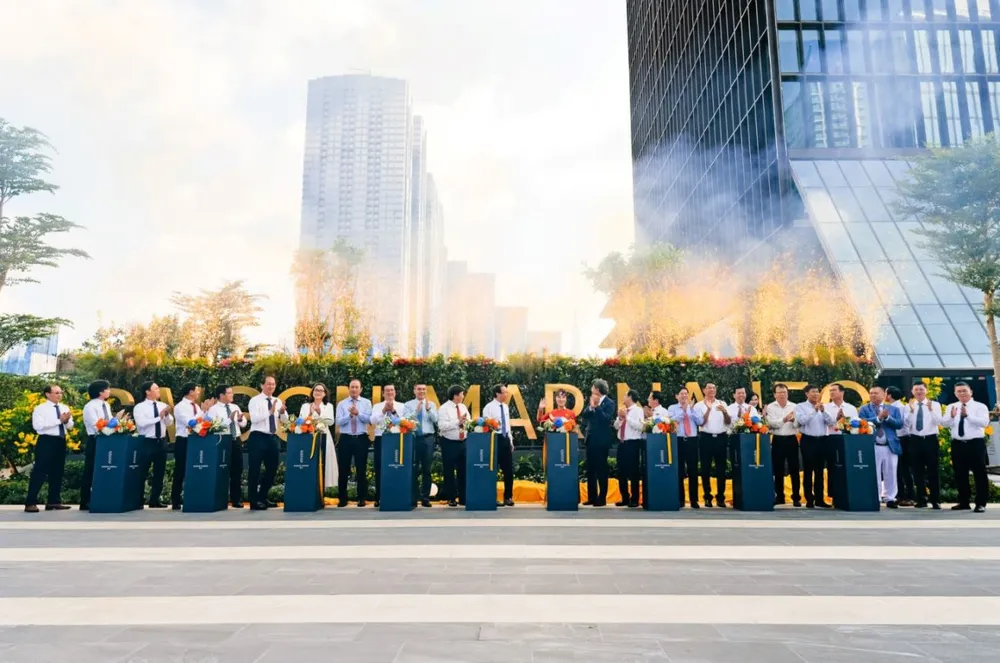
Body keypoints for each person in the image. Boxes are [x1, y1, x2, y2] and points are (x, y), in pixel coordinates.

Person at [941, 381, 990, 512]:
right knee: (960, 474)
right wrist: (951, 417)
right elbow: (944, 424)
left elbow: (985, 423)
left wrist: (968, 416)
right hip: (958, 444)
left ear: (970, 392)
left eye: (964, 390)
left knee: (979, 474)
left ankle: (980, 503)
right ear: (955, 393)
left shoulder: (980, 406)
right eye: (959, 391)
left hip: (975, 443)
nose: (962, 393)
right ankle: (964, 502)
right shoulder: (952, 406)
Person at [24, 384, 74, 513]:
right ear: (47, 394)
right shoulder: (40, 409)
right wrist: (59, 420)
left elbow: (70, 426)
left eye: (61, 393)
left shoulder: (64, 407)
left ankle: (53, 501)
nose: (59, 395)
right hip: (46, 441)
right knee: (40, 471)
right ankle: (30, 502)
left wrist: (67, 421)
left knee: (58, 471)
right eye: (56, 393)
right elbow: (38, 426)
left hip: (60, 440)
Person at [247, 376, 288, 510]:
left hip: (272, 437)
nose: (271, 386)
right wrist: (269, 412)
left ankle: (262, 497)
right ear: (262, 385)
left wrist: (282, 412)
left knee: (272, 468)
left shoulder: (277, 400)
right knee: (255, 469)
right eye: (268, 384)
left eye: (273, 384)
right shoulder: (255, 401)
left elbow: (285, 419)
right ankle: (253, 501)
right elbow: (254, 419)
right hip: (257, 436)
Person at [859, 386, 904, 509]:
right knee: (875, 472)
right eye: (871, 393)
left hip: (890, 445)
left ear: (883, 394)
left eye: (876, 393)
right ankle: (876, 497)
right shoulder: (864, 409)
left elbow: (899, 424)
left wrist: (887, 417)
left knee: (891, 472)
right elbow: (862, 422)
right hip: (873, 445)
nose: (873, 395)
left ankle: (890, 498)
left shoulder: (893, 409)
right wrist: (878, 418)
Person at [133, 381, 174, 509]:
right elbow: (142, 423)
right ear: (147, 391)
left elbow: (169, 423)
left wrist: (166, 416)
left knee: (159, 472)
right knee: (142, 472)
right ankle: (138, 500)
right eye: (155, 389)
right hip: (147, 441)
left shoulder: (162, 405)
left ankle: (155, 500)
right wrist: (159, 417)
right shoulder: (140, 407)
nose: (158, 391)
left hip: (161, 441)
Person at [207, 384, 248, 507]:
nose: (232, 395)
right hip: (223, 441)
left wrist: (240, 419)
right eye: (229, 393)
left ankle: (236, 499)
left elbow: (244, 424)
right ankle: (221, 498)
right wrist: (230, 419)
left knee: (237, 470)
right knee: (222, 469)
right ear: (221, 395)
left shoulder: (234, 406)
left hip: (236, 440)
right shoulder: (214, 409)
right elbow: (215, 425)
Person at [795, 384, 835, 508]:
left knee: (820, 471)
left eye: (817, 392)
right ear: (807, 394)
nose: (816, 394)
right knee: (808, 470)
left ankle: (819, 499)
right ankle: (809, 499)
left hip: (822, 440)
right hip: (808, 440)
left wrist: (823, 411)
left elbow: (831, 422)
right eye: (813, 392)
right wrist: (814, 411)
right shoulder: (800, 406)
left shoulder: (823, 407)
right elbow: (802, 421)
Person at [905, 381, 943, 509]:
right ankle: (921, 499)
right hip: (915, 440)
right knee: (917, 471)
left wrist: (931, 410)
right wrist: (910, 412)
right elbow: (906, 425)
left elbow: (939, 421)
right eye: (916, 390)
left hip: (930, 440)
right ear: (912, 391)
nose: (919, 392)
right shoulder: (909, 405)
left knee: (933, 470)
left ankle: (935, 500)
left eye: (921, 389)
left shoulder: (935, 404)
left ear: (926, 390)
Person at [578, 379, 616, 507]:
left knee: (601, 469)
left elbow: (606, 419)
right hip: (590, 439)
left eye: (593, 388)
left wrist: (597, 407)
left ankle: (602, 497)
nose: (591, 391)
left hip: (602, 441)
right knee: (591, 469)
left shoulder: (609, 403)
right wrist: (590, 407)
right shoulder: (591, 401)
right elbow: (585, 415)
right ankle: (592, 497)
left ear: (598, 390)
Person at [335, 379, 372, 507]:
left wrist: (358, 413)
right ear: (349, 389)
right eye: (352, 387)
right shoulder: (342, 404)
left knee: (361, 470)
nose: (354, 389)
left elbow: (369, 419)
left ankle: (361, 498)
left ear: (360, 389)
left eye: (356, 387)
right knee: (343, 469)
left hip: (361, 438)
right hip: (345, 438)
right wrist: (349, 416)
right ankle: (342, 498)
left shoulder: (366, 403)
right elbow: (338, 422)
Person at [693, 383, 731, 508]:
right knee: (705, 469)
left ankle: (721, 497)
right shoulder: (698, 405)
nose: (712, 390)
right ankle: (707, 497)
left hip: (721, 437)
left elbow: (728, 422)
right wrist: (708, 410)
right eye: (709, 388)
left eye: (714, 388)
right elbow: (700, 422)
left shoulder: (722, 403)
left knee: (721, 469)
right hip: (706, 438)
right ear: (704, 390)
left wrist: (725, 412)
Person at [666, 387, 703, 508]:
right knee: (680, 471)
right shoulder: (672, 408)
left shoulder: (693, 407)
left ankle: (694, 500)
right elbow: (672, 421)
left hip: (692, 440)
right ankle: (681, 499)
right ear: (676, 396)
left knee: (693, 471)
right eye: (681, 394)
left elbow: (700, 421)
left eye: (686, 394)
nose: (684, 396)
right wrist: (683, 410)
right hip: (679, 440)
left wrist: (691, 409)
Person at [765, 383, 800, 506]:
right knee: (778, 469)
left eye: (784, 392)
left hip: (791, 439)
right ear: (775, 394)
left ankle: (796, 497)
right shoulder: (770, 407)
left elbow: (798, 424)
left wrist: (793, 420)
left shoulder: (794, 406)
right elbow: (771, 423)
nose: (782, 394)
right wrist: (784, 420)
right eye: (779, 392)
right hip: (778, 440)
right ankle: (780, 496)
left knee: (794, 469)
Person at [369, 384, 404, 508]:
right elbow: (372, 421)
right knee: (380, 468)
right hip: (381, 438)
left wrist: (393, 411)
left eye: (392, 390)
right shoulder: (377, 406)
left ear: (395, 392)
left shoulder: (401, 406)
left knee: (396, 467)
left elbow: (403, 423)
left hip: (396, 438)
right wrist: (384, 411)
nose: (390, 392)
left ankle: (397, 494)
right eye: (387, 391)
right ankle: (379, 497)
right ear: (383, 393)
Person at [405, 383, 439, 507]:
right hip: (413, 438)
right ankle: (413, 498)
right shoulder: (408, 404)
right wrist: (416, 411)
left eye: (424, 389)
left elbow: (436, 420)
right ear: (414, 391)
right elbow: (406, 420)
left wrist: (429, 409)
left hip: (428, 438)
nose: (421, 391)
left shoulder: (432, 404)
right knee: (413, 469)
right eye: (419, 389)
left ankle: (425, 498)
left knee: (427, 469)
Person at [80, 379, 112, 511]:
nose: (109, 391)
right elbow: (96, 424)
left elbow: (109, 422)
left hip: (107, 440)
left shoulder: (106, 405)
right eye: (107, 389)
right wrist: (111, 423)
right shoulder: (90, 406)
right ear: (100, 391)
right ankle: (85, 500)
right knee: (90, 470)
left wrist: (116, 422)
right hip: (95, 439)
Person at [171, 383, 203, 511]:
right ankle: (176, 500)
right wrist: (203, 412)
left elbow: (201, 422)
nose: (198, 393)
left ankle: (192, 498)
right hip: (183, 440)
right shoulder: (180, 407)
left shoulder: (196, 406)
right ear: (191, 392)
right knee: (180, 470)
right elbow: (191, 422)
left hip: (195, 440)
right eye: (197, 391)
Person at [300, 382, 336, 496]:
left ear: (325, 394)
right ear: (312, 392)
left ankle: (321, 493)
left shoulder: (328, 406)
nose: (318, 392)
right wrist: (310, 413)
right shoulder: (305, 406)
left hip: (323, 436)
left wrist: (320, 413)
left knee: (323, 463)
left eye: (321, 390)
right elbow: (301, 421)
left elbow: (330, 421)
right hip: (308, 437)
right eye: (316, 390)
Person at [437, 385, 470, 507]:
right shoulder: (444, 408)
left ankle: (463, 497)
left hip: (463, 442)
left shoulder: (463, 407)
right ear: (455, 396)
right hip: (449, 442)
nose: (463, 396)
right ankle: (451, 497)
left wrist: (467, 424)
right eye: (462, 394)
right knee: (449, 470)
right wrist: (458, 422)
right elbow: (442, 426)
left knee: (463, 471)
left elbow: (468, 421)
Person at [483, 384, 515, 507]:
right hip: (494, 439)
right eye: (504, 392)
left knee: (508, 470)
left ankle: (508, 497)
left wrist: (510, 441)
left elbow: (508, 425)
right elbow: (486, 425)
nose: (506, 394)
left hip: (505, 439)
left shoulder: (506, 407)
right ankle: (492, 497)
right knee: (493, 469)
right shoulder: (489, 407)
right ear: (497, 394)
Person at [614, 389, 645, 508]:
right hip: (622, 443)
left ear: (630, 397)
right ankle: (625, 497)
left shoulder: (638, 410)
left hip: (633, 443)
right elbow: (616, 427)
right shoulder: (623, 410)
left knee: (633, 472)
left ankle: (635, 498)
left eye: (625, 395)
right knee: (621, 472)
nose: (623, 397)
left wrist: (627, 417)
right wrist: (620, 418)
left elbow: (639, 426)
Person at [885, 386, 915, 506]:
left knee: (904, 469)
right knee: (898, 469)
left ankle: (908, 496)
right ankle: (900, 495)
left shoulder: (899, 407)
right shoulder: (897, 406)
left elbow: (904, 424)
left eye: (885, 393)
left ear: (889, 395)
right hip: (897, 439)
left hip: (902, 439)